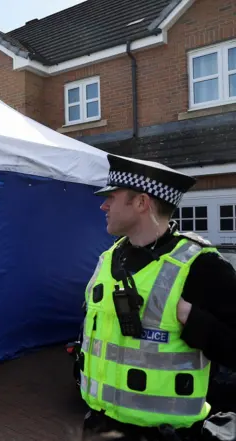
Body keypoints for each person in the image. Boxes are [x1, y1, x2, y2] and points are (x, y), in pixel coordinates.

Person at [80, 154, 236, 441]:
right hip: (99, 426)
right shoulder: (107, 259)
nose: (103, 205)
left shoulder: (201, 266)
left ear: (141, 202)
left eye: (112, 197)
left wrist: (195, 322)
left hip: (163, 434)